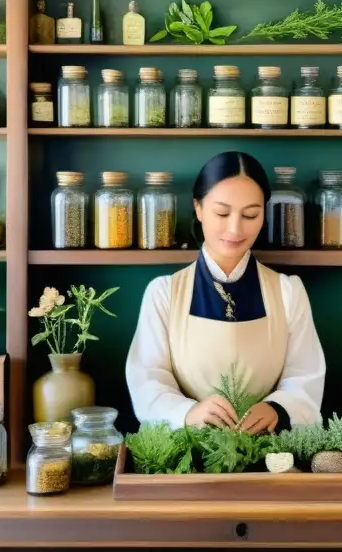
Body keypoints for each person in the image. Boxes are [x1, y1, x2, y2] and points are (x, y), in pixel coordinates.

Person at [126, 151, 325, 434]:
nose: (235, 228)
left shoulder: (287, 291)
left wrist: (277, 409)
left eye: (250, 214)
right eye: (222, 212)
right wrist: (188, 412)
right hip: (187, 452)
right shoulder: (165, 293)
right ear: (198, 208)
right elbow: (148, 380)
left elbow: (305, 375)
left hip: (271, 453)